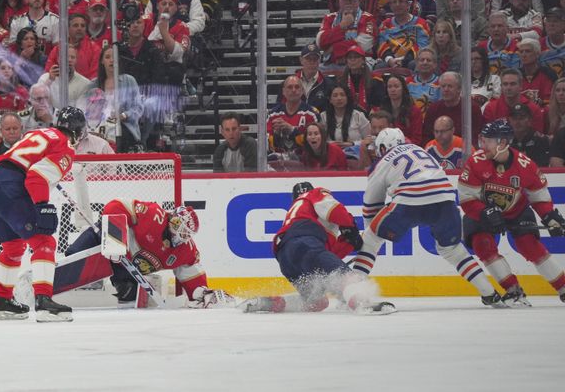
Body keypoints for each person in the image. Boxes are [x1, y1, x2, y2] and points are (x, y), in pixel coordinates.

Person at [350, 128, 505, 307]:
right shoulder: (420, 149)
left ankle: (355, 292)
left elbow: (371, 205)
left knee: (371, 239)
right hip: (446, 200)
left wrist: (370, 235)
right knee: (452, 250)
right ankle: (490, 294)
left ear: (383, 148)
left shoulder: (383, 161)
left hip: (409, 202)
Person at [0, 106, 86, 321]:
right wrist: (42, 205)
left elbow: (29, 165)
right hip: (11, 185)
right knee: (44, 241)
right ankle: (44, 302)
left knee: (13, 246)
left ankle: (2, 301)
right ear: (76, 131)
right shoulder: (64, 146)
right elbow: (36, 177)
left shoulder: (36, 133)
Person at [242, 182, 392, 315]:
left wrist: (349, 242)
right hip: (304, 243)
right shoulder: (314, 194)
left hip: (285, 258)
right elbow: (335, 210)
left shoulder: (299, 216)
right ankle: (362, 304)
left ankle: (270, 303)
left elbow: (324, 256)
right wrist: (351, 227)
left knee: (316, 301)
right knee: (346, 276)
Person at [458, 120, 565, 305]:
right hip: (482, 211)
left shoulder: (526, 166)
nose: (483, 144)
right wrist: (485, 212)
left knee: (529, 245)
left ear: (503, 143)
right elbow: (467, 199)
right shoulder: (475, 162)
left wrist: (549, 216)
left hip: (517, 211)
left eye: (489, 140)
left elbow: (539, 196)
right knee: (482, 244)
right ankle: (513, 290)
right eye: (483, 139)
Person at [61, 201, 232, 308]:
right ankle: (44, 287)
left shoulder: (186, 251)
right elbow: (116, 206)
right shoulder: (154, 215)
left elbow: (193, 279)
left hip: (125, 267)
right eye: (180, 228)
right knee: (73, 259)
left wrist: (200, 293)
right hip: (107, 241)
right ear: (173, 220)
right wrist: (115, 239)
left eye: (186, 233)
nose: (181, 235)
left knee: (129, 295)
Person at [79, 46, 143, 152]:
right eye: (107, 57)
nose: (112, 60)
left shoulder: (129, 80)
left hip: (123, 128)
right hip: (98, 128)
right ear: (102, 61)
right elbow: (84, 108)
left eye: (114, 57)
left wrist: (123, 115)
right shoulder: (93, 84)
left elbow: (138, 108)